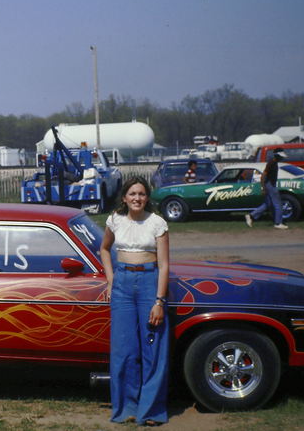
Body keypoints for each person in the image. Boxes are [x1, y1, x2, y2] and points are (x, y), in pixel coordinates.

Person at [100, 176, 170, 426]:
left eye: (141, 194)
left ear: (147, 197)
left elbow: (164, 265)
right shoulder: (115, 220)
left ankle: (150, 411)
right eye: (132, 194)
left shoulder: (157, 223)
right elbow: (105, 249)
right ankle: (126, 408)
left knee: (153, 349)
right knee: (124, 350)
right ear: (124, 198)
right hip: (123, 287)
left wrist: (159, 301)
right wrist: (111, 280)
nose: (137, 198)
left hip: (150, 285)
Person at [245, 148, 289, 229]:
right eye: (281, 156)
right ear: (277, 155)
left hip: (269, 185)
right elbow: (264, 175)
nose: (282, 158)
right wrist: (263, 187)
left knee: (267, 204)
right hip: (270, 185)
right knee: (278, 204)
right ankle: (278, 223)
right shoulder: (272, 163)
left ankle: (251, 216)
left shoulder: (273, 162)